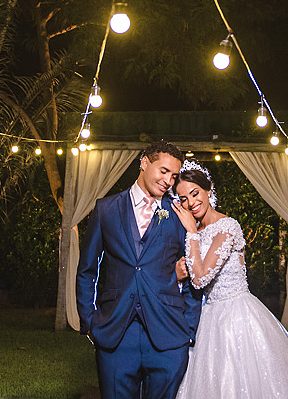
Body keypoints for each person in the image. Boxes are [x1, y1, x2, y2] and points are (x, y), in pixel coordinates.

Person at [171, 162, 288, 399]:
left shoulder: (227, 227)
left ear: (208, 190)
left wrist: (190, 232)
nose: (191, 203)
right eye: (183, 199)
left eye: (195, 193)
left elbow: (201, 278)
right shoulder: (197, 230)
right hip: (209, 316)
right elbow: (191, 271)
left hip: (237, 315)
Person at [77, 141, 202, 399]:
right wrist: (89, 320)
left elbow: (192, 270)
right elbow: (87, 269)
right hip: (115, 335)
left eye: (174, 176)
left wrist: (188, 329)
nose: (168, 181)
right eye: (163, 171)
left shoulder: (179, 214)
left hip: (168, 336)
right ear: (144, 162)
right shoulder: (106, 209)